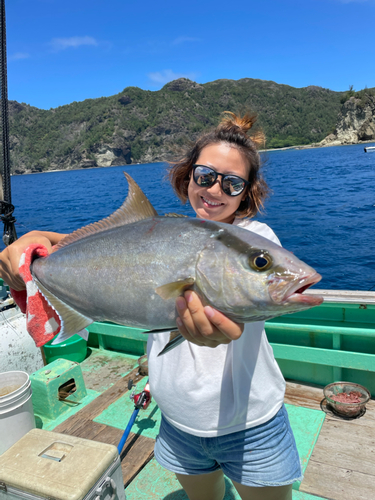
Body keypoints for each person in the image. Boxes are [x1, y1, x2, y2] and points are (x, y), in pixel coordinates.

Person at [0, 111, 302, 500]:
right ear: (188, 175)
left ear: (246, 193)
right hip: (177, 421)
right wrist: (40, 242)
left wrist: (225, 327)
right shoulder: (161, 231)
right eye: (205, 176)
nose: (214, 190)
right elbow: (118, 248)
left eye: (232, 184)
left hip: (252, 424)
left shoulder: (252, 239)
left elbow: (243, 279)